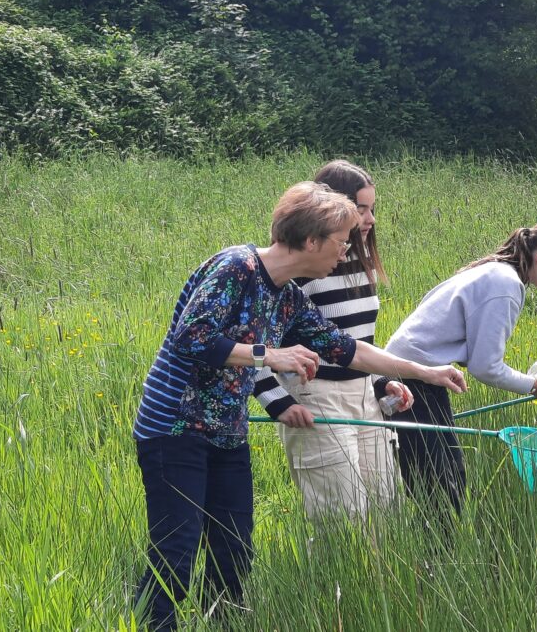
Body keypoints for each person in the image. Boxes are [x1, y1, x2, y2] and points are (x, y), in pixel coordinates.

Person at [131, 181, 466, 631]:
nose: (346, 249)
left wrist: (424, 372)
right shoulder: (236, 267)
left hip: (226, 432)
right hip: (174, 428)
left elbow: (345, 349)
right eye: (340, 240)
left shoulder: (287, 296)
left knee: (233, 547)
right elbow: (192, 337)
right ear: (311, 241)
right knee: (178, 545)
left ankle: (223, 623)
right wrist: (269, 355)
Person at [377, 222, 537, 514]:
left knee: (448, 481)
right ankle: (437, 556)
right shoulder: (506, 285)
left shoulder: (494, 272)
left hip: (424, 377)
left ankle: (437, 553)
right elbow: (486, 366)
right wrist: (534, 386)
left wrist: (529, 380)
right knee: (440, 491)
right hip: (410, 382)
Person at [253, 160, 405, 519]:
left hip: (365, 398)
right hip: (316, 397)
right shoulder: (303, 264)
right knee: (343, 519)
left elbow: (354, 341)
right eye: (361, 209)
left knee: (387, 510)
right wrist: (276, 402)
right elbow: (253, 345)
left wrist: (381, 383)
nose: (369, 220)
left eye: (372, 209)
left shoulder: (356, 262)